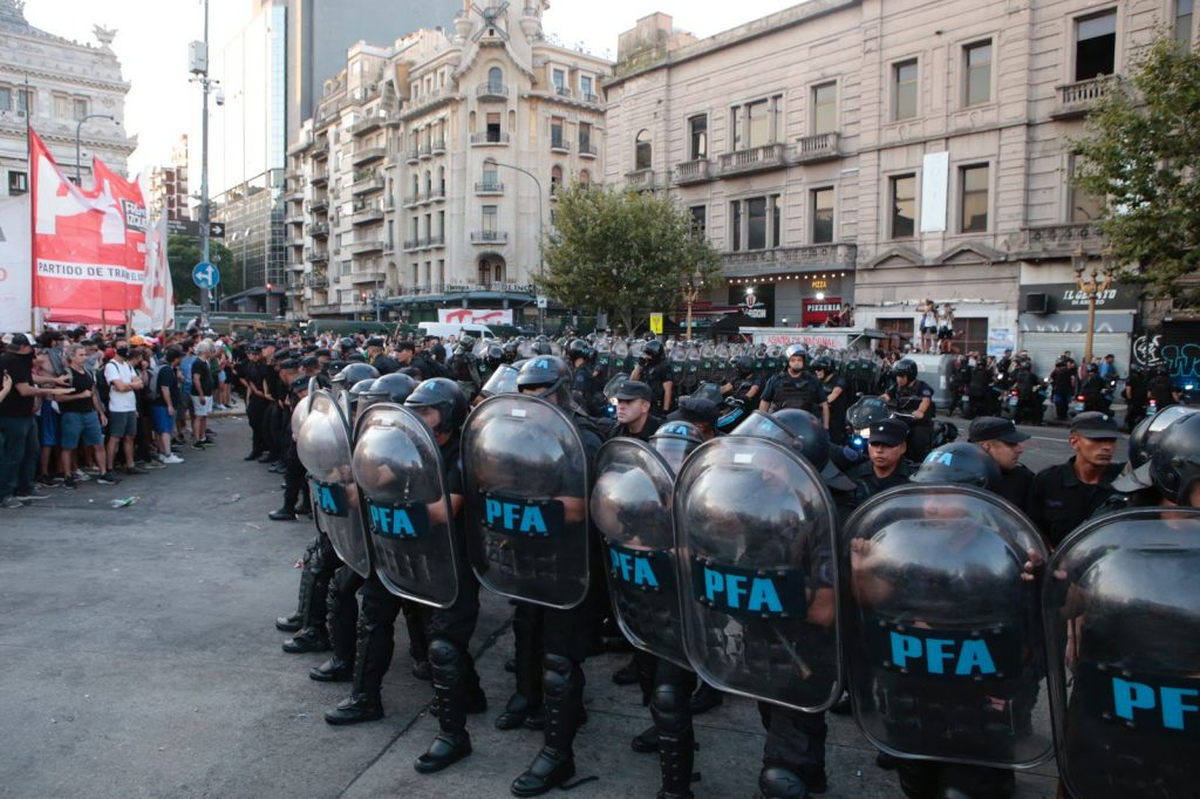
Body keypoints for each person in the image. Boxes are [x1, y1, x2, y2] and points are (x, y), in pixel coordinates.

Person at [1027, 412, 1125, 548]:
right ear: (1074, 442)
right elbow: (1033, 531)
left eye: (1111, 441)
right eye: (1097, 440)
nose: (1107, 447)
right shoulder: (1048, 480)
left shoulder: (1126, 481)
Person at [848, 417, 917, 506]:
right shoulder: (853, 476)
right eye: (875, 444)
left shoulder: (914, 480)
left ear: (903, 448)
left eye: (887, 445)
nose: (879, 450)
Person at [968, 417, 1034, 508]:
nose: (1019, 450)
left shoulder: (1024, 479)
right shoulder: (959, 474)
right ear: (987, 447)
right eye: (1011, 444)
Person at [103, 340, 147, 476]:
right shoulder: (111, 366)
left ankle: (130, 465)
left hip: (130, 406)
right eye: (121, 347)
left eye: (125, 346)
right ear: (114, 349)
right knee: (115, 438)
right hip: (118, 407)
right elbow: (120, 387)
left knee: (130, 437)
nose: (124, 349)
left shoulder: (127, 366)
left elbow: (140, 383)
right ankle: (109, 468)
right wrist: (132, 385)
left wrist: (128, 385)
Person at [879, 358, 936, 461]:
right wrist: (874, 401)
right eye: (897, 376)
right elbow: (886, 396)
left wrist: (920, 411)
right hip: (901, 419)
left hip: (919, 422)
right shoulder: (897, 386)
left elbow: (926, 400)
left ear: (910, 376)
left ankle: (918, 462)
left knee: (917, 441)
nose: (898, 379)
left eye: (901, 376)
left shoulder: (922, 387)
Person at [759, 345, 828, 425]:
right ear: (787, 362)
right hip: (780, 424)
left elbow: (824, 405)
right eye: (793, 360)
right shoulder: (775, 380)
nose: (796, 363)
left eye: (799, 360)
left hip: (805, 425)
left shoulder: (813, 381)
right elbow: (765, 402)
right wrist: (761, 423)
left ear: (804, 362)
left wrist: (825, 426)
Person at [152, 348, 185, 465]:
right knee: (166, 430)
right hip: (163, 404)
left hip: (158, 403)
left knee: (159, 430)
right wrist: (169, 405)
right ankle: (167, 454)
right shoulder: (167, 370)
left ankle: (162, 452)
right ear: (176, 359)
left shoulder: (163, 367)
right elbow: (165, 388)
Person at [631, 339, 675, 415]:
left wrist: (665, 410)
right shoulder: (646, 364)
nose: (646, 356)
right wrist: (639, 365)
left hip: (657, 405)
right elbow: (633, 380)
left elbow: (668, 390)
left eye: (648, 354)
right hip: (645, 402)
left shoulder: (664, 367)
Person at [812, 356, 848, 443]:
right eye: (815, 369)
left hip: (836, 421)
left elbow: (834, 394)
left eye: (819, 369)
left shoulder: (839, 381)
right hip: (820, 418)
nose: (816, 371)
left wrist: (822, 402)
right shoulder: (818, 381)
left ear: (827, 369)